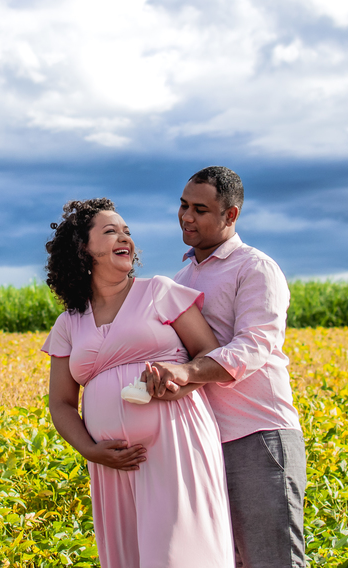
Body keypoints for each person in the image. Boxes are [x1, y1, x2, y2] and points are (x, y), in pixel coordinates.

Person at [40, 198, 234, 568]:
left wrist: (178, 381)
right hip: (111, 464)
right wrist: (89, 449)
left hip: (175, 444)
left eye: (127, 231)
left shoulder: (159, 292)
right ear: (83, 249)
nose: (124, 236)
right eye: (110, 230)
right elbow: (61, 403)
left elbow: (210, 356)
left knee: (180, 555)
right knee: (129, 557)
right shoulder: (69, 322)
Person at [144, 167, 306, 568]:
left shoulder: (255, 268)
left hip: (259, 435)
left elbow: (255, 346)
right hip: (203, 441)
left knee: (273, 561)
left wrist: (188, 374)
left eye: (200, 209)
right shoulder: (180, 279)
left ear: (231, 216)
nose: (186, 217)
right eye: (183, 205)